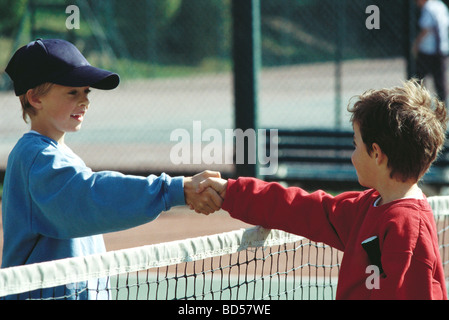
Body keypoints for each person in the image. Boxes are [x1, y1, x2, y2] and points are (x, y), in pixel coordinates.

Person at [1, 39, 222, 299]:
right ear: (35, 98)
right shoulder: (37, 158)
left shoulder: (57, 156)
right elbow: (91, 195)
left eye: (87, 92)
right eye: (73, 92)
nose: (85, 101)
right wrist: (174, 189)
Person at [198, 79, 448, 300]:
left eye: (355, 144)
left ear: (376, 153)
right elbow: (302, 209)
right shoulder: (368, 206)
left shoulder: (408, 228)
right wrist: (231, 193)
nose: (352, 155)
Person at [413, 0, 449, 103]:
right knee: (440, 81)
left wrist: (416, 44)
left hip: (427, 51)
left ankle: (417, 102)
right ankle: (443, 106)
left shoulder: (428, 8)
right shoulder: (440, 5)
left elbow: (426, 29)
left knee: (418, 79)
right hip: (442, 50)